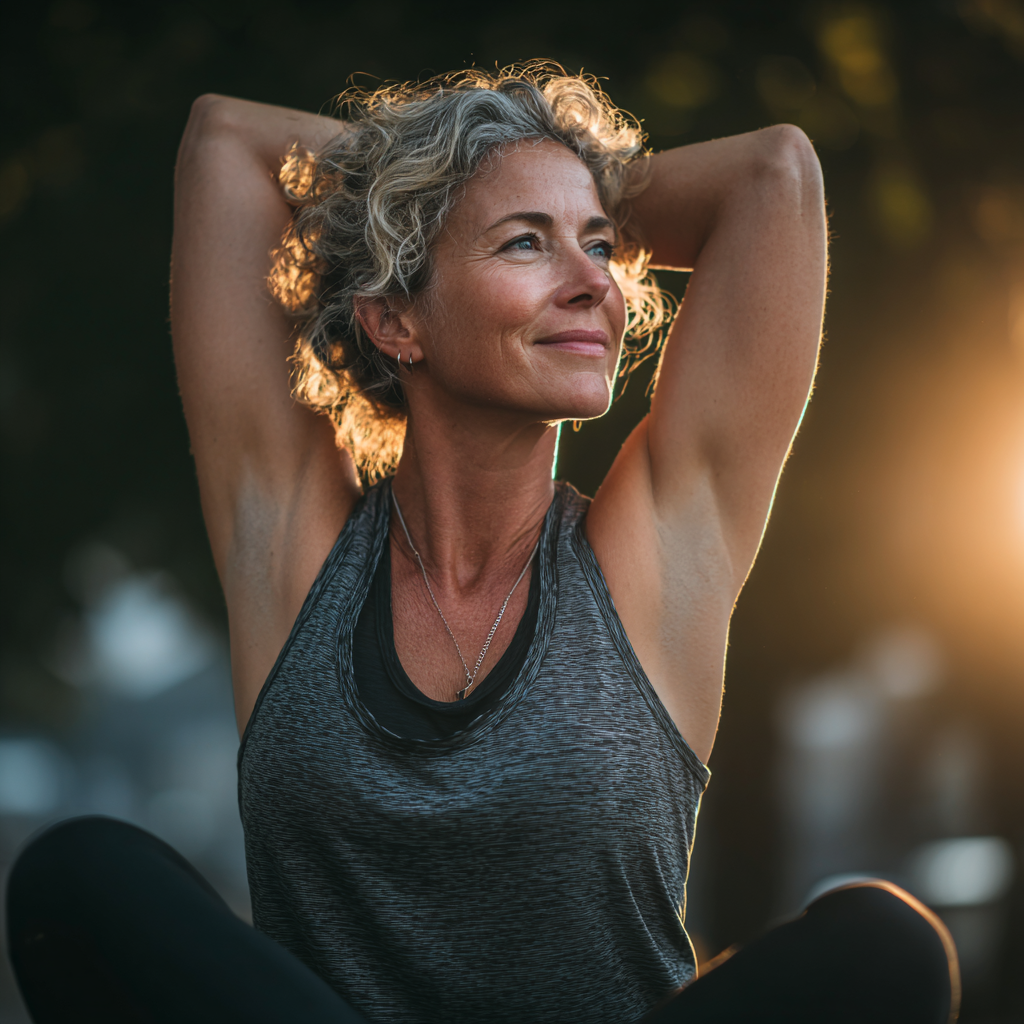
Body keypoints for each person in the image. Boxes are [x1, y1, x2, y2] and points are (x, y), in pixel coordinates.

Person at [6, 64, 958, 1023]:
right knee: (80, 877)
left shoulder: (657, 548)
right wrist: (425, 182)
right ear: (396, 319)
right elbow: (224, 143)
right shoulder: (294, 545)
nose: (594, 282)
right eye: (525, 245)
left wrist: (523, 173)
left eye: (601, 244)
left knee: (885, 944)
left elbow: (773, 177)